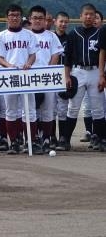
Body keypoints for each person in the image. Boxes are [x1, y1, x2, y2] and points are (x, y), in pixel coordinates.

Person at [0, 4, 39, 154]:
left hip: (25, 75)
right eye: (11, 15)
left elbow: (33, 54)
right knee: (10, 110)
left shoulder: (29, 34)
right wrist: (9, 65)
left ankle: (31, 141)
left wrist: (29, 64)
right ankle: (14, 142)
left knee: (29, 110)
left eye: (17, 15)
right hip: (8, 75)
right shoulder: (0, 36)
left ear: (21, 17)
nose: (14, 17)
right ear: (7, 17)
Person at [64, 3, 105, 151]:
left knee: (98, 108)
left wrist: (102, 75)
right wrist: (67, 76)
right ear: (80, 16)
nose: (88, 16)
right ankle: (65, 139)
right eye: (86, 14)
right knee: (73, 107)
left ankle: (101, 140)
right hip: (78, 71)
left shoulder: (100, 33)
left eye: (91, 14)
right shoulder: (73, 33)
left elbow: (103, 54)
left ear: (95, 17)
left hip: (95, 71)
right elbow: (67, 57)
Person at [28, 5, 63, 154]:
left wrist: (47, 71)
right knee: (30, 111)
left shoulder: (51, 36)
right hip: (29, 76)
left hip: (46, 75)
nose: (37, 20)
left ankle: (47, 139)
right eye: (34, 18)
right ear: (30, 19)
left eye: (40, 18)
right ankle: (33, 139)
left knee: (48, 110)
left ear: (45, 20)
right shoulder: (25, 35)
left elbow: (56, 54)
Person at [52, 11, 71, 150]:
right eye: (61, 21)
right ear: (55, 22)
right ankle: (51, 136)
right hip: (50, 74)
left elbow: (71, 59)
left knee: (63, 108)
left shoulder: (70, 38)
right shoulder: (50, 37)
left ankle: (63, 138)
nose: (63, 24)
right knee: (50, 108)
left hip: (64, 74)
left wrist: (68, 75)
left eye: (65, 22)